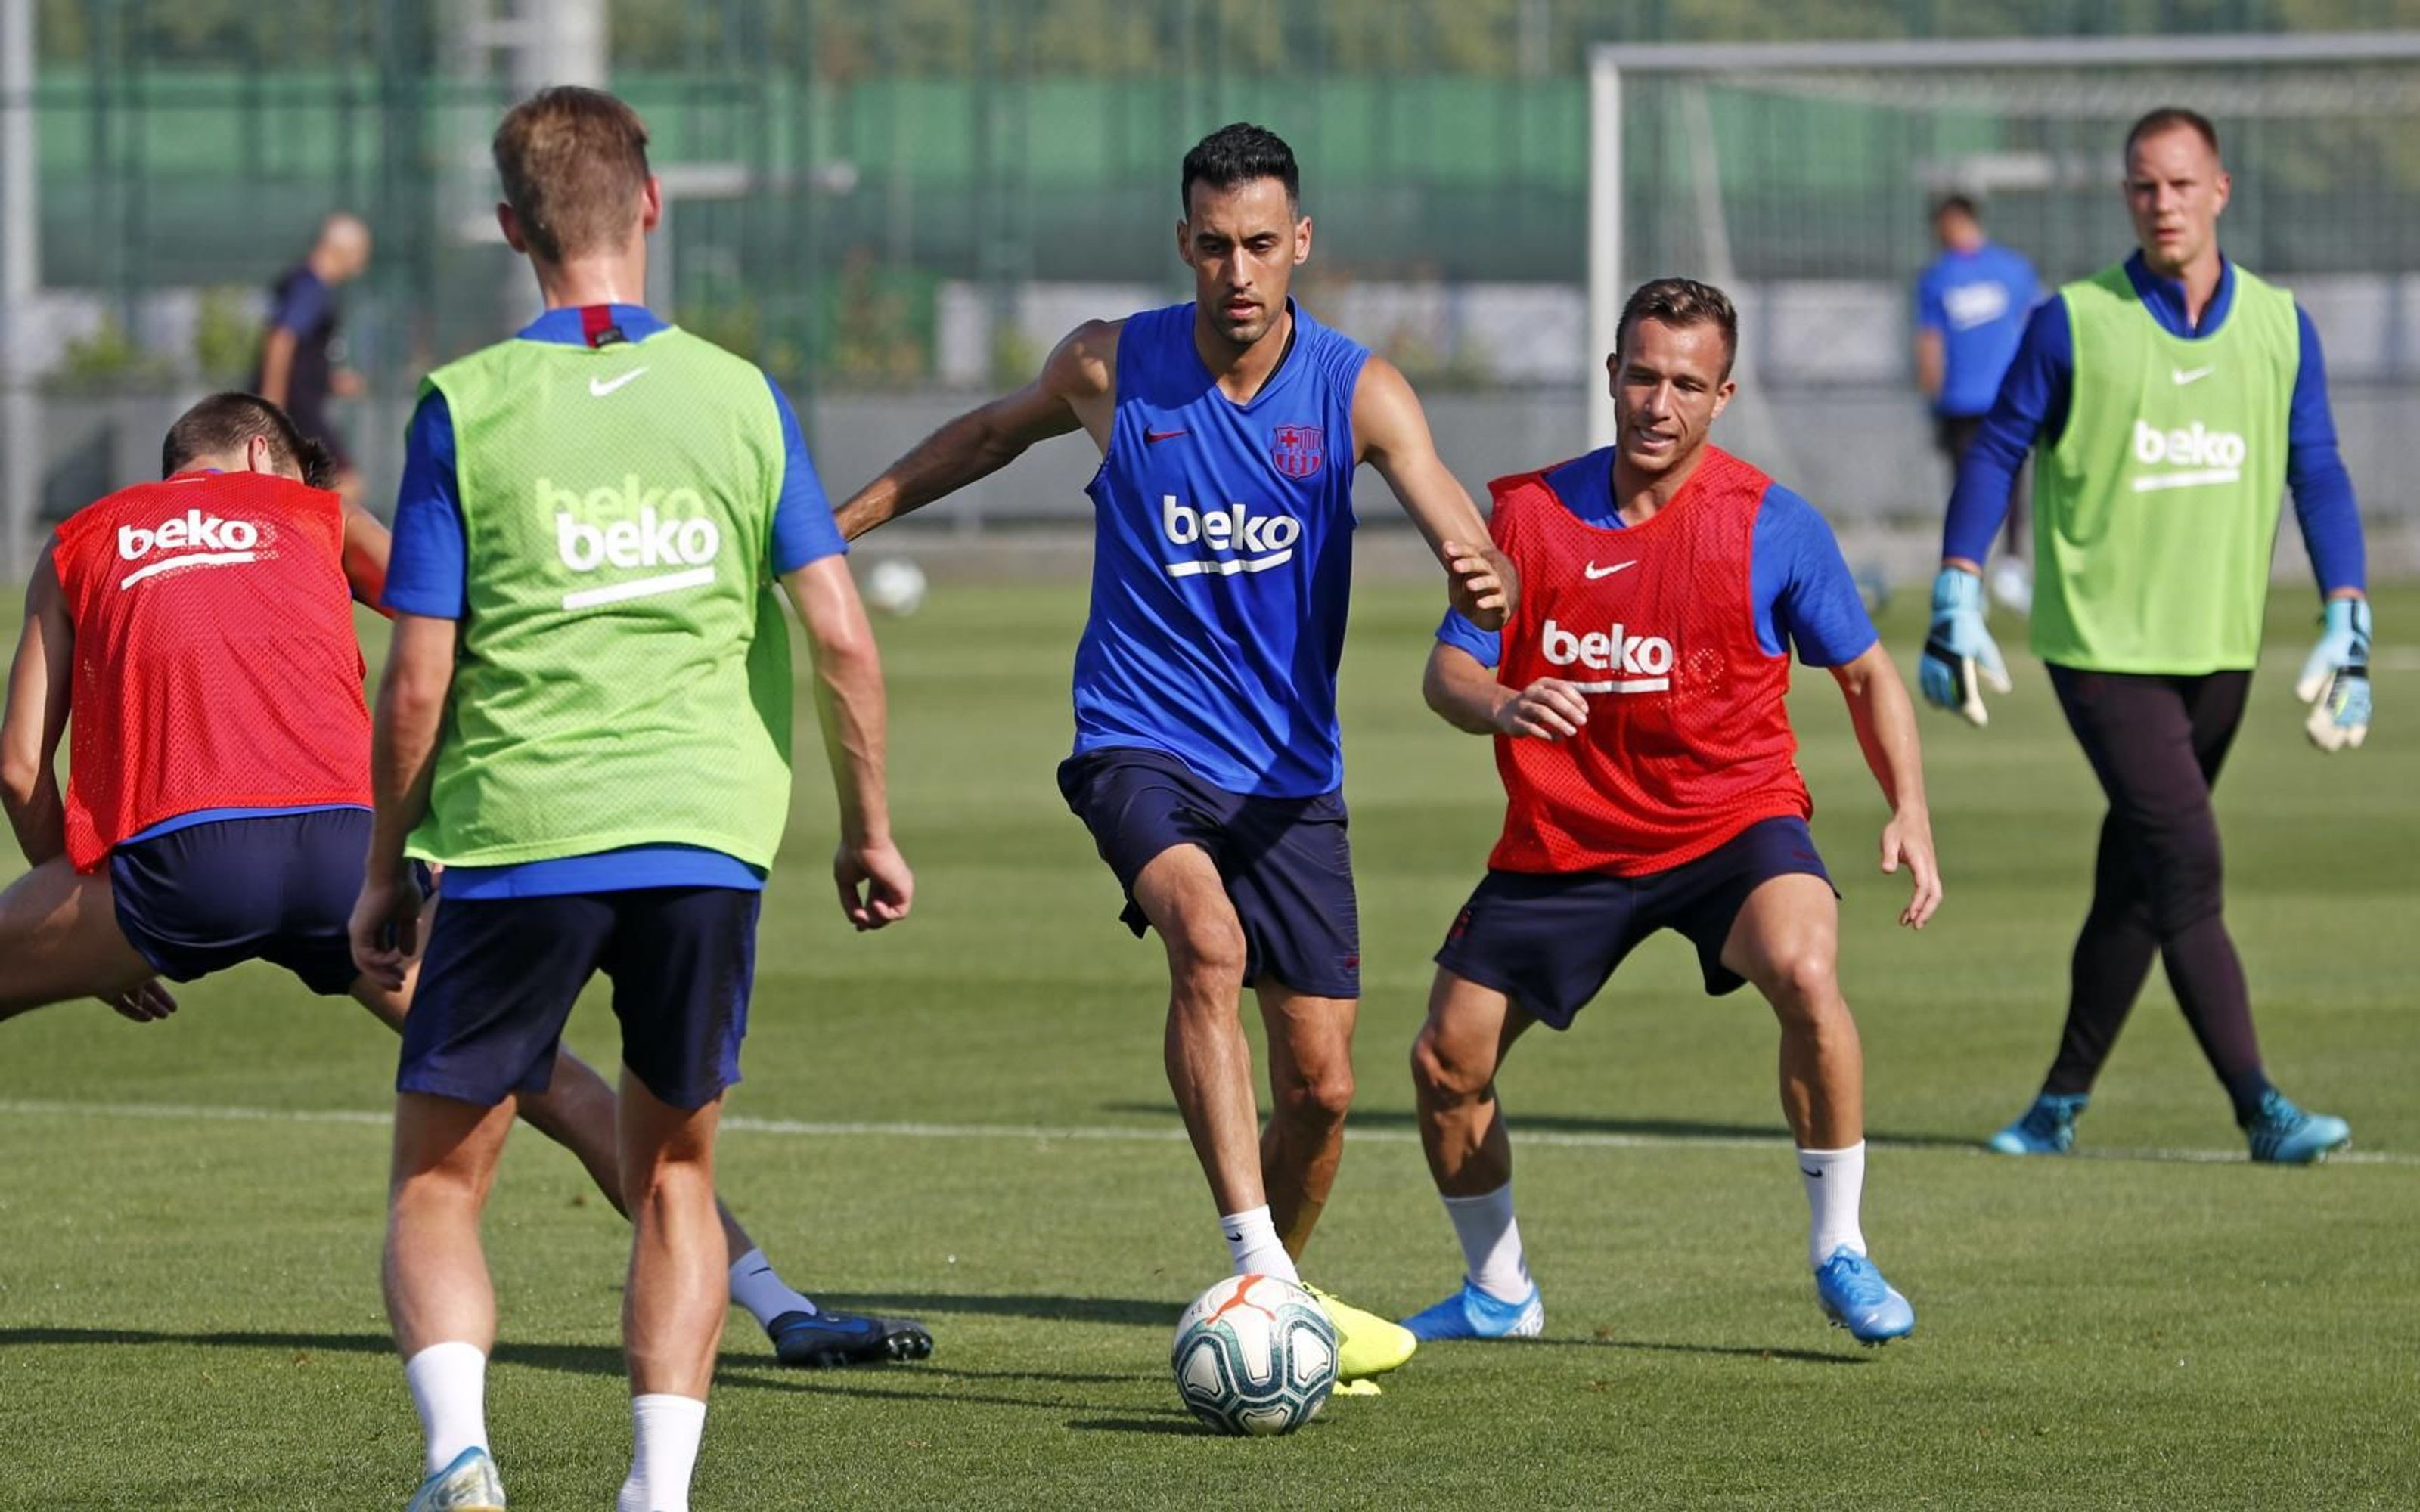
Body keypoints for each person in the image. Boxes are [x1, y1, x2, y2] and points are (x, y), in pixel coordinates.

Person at [0, 393, 923, 1372]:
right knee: (560, 1085)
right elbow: (469, 622)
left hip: (175, 863)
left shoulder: (80, 541)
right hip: (348, 861)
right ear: (267, 452)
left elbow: (20, 768)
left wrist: (90, 932)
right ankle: (783, 1308)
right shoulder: (318, 514)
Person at [833, 122, 1511, 1384]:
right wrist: (838, 529)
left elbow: (1469, 547)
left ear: (1300, 242)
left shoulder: (1360, 390)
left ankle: (1277, 1304)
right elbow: (988, 435)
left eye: (1262, 244)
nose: (1239, 271)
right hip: (1137, 741)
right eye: (1215, 245)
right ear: (1182, 245)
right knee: (1208, 943)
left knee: (1321, 1092)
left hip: (1292, 781)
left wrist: (1480, 578)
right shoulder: (1111, 365)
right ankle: (1254, 1261)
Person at [351, 87, 911, 1512]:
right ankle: (655, 1496)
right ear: (649, 205)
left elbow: (417, 681)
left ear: (510, 230)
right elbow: (843, 636)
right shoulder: (740, 394)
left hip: (517, 832)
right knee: (672, 1178)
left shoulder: (463, 408)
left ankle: (461, 1459)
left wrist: (380, 870)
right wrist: (867, 828)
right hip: (706, 841)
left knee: (440, 1184)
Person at [1404, 278, 1940, 1349]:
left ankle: (1841, 1246)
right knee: (1445, 1063)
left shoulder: (1772, 525)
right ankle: (1500, 1291)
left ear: (1723, 394)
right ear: (1610, 376)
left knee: (1804, 966)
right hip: (1567, 840)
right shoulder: (1526, 517)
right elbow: (1447, 673)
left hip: (1729, 824)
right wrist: (1505, 702)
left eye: (1687, 384)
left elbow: (1868, 673)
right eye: (1642, 375)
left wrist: (1909, 809)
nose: (1660, 403)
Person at [1922, 107, 2369, 1165]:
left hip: (2219, 648)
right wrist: (1959, 589)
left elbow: (2320, 470)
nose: (2161, 204)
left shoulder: (2280, 323)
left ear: (2220, 191)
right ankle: (2261, 1107)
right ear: (2126, 197)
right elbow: (1996, 451)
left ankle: (2056, 1107)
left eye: (2179, 184)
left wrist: (2346, 610)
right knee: (2188, 863)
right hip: (2100, 649)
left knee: (2138, 878)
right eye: (2141, 186)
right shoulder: (2074, 319)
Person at [1913, 194, 2041, 611]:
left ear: (1959, 219)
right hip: (1960, 402)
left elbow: (2034, 326)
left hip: (2006, 396)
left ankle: (2013, 567)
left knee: (2013, 483)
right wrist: (1933, 396)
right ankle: (1968, 575)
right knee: (1966, 486)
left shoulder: (2012, 269)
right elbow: (1930, 341)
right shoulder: (1937, 278)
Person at [252, 213, 374, 504]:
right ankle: (311, 547)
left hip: (299, 402)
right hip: (295, 408)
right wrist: (273, 404)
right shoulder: (310, 287)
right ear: (342, 250)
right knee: (345, 484)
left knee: (306, 486)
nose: (363, 260)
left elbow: (301, 358)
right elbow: (281, 340)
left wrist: (330, 381)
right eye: (362, 251)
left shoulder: (309, 285)